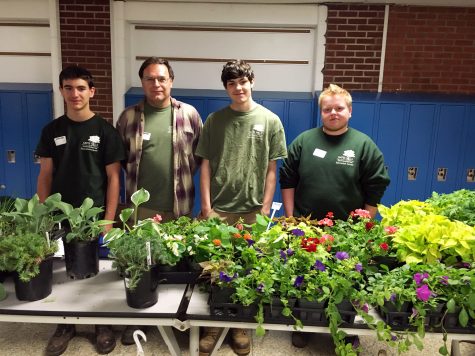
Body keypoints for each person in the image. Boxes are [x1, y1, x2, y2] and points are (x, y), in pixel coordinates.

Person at [279, 83, 390, 348]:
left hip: (347, 231)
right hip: (307, 229)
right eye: (327, 109)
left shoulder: (363, 145)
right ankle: (303, 324)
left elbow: (376, 185)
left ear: (349, 111)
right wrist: (291, 219)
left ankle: (347, 328)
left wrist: (363, 225)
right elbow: (288, 179)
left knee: (347, 282)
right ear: (321, 112)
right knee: (305, 279)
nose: (333, 113)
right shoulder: (304, 141)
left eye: (339, 108)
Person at [196, 60, 287, 356]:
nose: (238, 88)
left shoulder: (271, 121)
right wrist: (207, 206)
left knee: (247, 270)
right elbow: (206, 165)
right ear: (226, 88)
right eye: (232, 83)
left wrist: (263, 210)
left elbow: (272, 170)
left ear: (252, 81)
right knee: (215, 269)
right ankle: (212, 326)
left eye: (243, 81)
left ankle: (240, 327)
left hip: (252, 211)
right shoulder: (215, 120)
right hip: (220, 208)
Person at [36, 65, 125, 356]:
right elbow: (46, 175)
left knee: (97, 274)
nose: (75, 94)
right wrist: (42, 214)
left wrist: (109, 220)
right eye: (69, 88)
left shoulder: (105, 131)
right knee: (61, 273)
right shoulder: (52, 131)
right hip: (61, 217)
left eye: (81, 88)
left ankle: (102, 324)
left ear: (92, 92)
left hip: (94, 217)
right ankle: (65, 325)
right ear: (61, 91)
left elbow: (114, 178)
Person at [116, 57, 202, 345]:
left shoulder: (189, 114)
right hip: (142, 210)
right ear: (142, 82)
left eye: (162, 78)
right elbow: (120, 161)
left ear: (171, 81)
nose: (157, 84)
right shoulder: (128, 117)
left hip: (179, 206)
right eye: (150, 78)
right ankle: (139, 317)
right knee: (143, 265)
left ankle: (180, 320)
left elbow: (198, 158)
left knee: (178, 265)